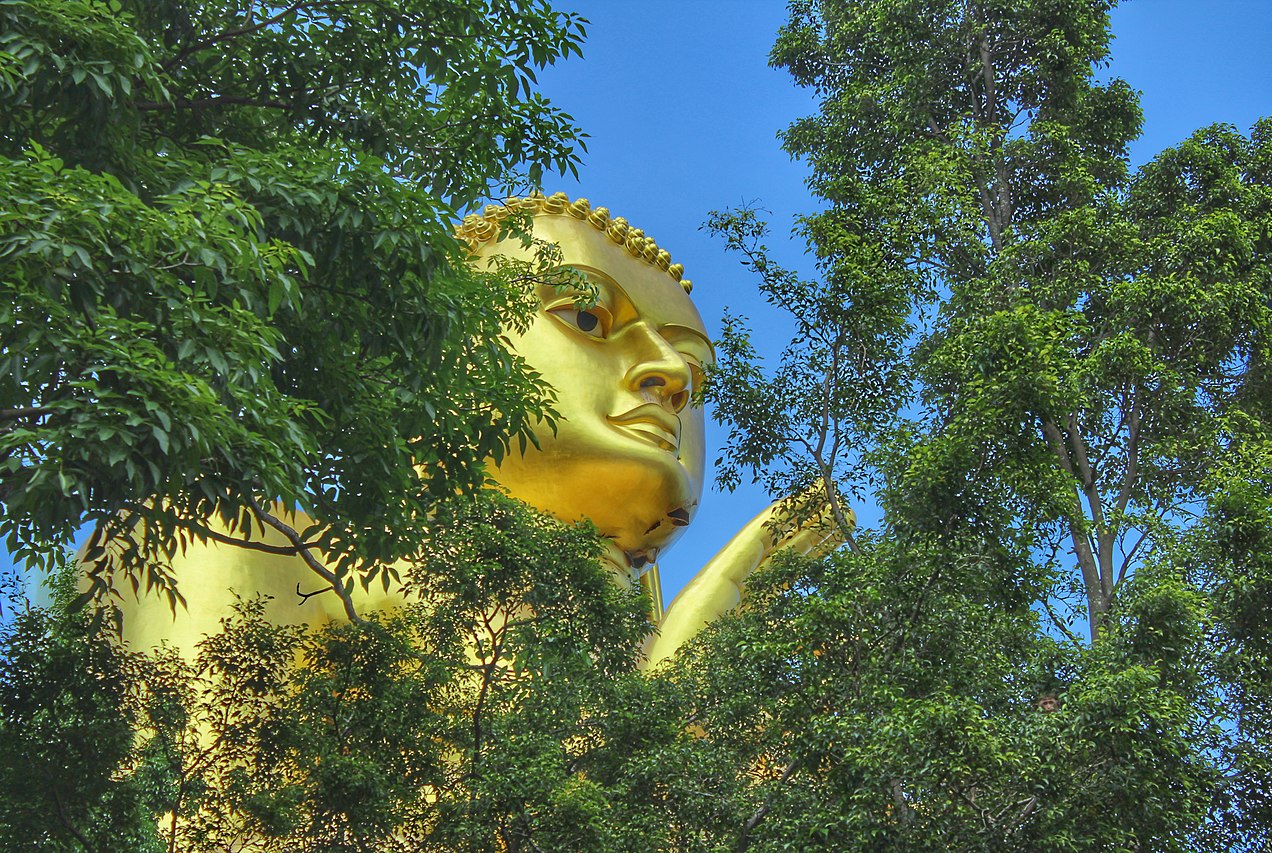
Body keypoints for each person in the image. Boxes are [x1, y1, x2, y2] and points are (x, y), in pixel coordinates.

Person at [111, 193, 840, 666]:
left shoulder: (721, 661)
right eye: (587, 317)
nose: (670, 377)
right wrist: (675, 704)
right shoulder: (236, 546)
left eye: (693, 367)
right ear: (436, 361)